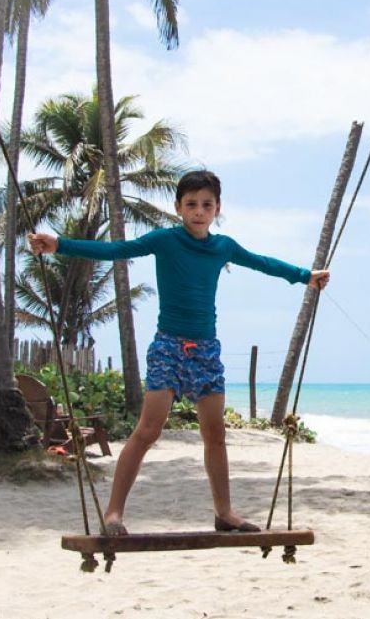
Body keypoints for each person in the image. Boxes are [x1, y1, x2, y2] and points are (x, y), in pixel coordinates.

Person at [28, 170, 329, 536]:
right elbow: (115, 251)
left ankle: (225, 513)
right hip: (169, 346)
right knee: (148, 430)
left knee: (215, 433)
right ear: (178, 208)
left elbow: (262, 262)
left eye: (206, 205)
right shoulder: (165, 240)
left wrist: (305, 276)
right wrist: (59, 244)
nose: (199, 212)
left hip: (206, 350)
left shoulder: (224, 247)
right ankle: (113, 515)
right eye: (191, 205)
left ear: (217, 208)